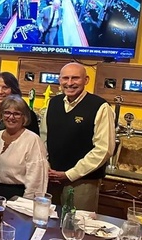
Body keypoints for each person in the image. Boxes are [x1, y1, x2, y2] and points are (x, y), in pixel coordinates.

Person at [40, 62, 114, 211]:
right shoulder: (53, 103)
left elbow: (104, 149)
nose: (69, 83)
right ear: (59, 80)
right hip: (52, 180)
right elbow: (43, 139)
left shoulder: (100, 107)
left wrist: (70, 174)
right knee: (50, 224)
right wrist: (47, 167)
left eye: (75, 78)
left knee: (77, 227)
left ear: (86, 80)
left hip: (83, 183)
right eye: (65, 78)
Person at [0, 95, 49, 199]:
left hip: (17, 197)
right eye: (7, 113)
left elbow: (36, 180)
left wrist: (27, 205)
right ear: (1, 115)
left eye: (16, 114)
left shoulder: (33, 140)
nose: (11, 117)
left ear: (24, 117)